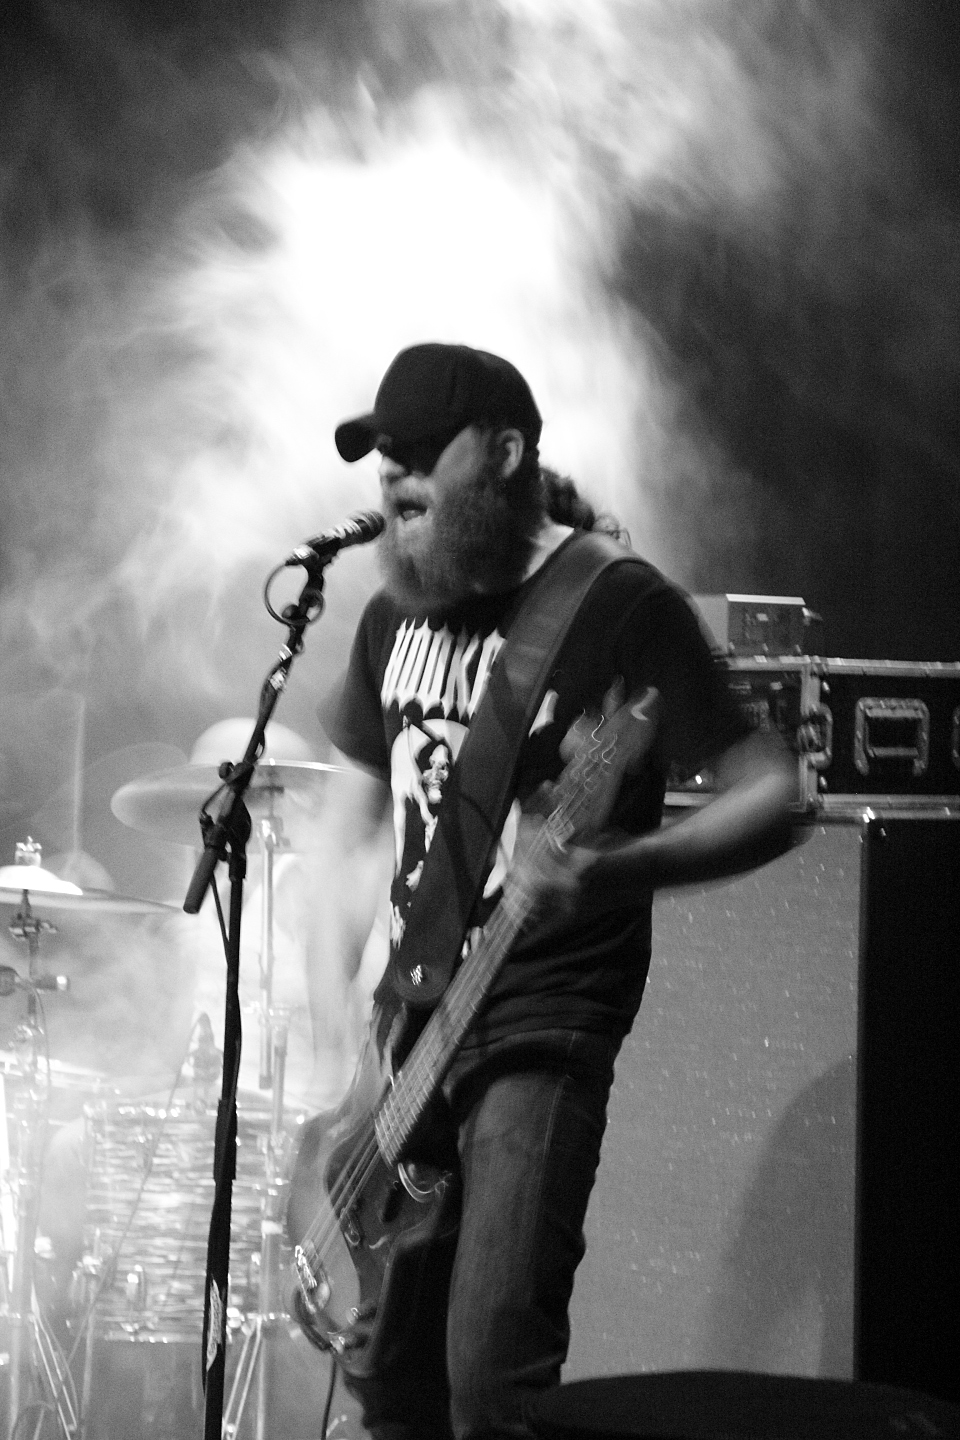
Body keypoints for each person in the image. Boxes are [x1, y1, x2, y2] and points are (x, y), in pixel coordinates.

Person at [301, 342, 798, 1440]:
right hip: (408, 1035)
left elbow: (774, 791)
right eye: (384, 453)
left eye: (422, 448)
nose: (394, 472)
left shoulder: (616, 605)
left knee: (491, 1383)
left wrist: (618, 869)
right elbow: (344, 837)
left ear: (507, 451)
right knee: (394, 1394)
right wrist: (337, 1039)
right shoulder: (390, 617)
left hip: (540, 1017)